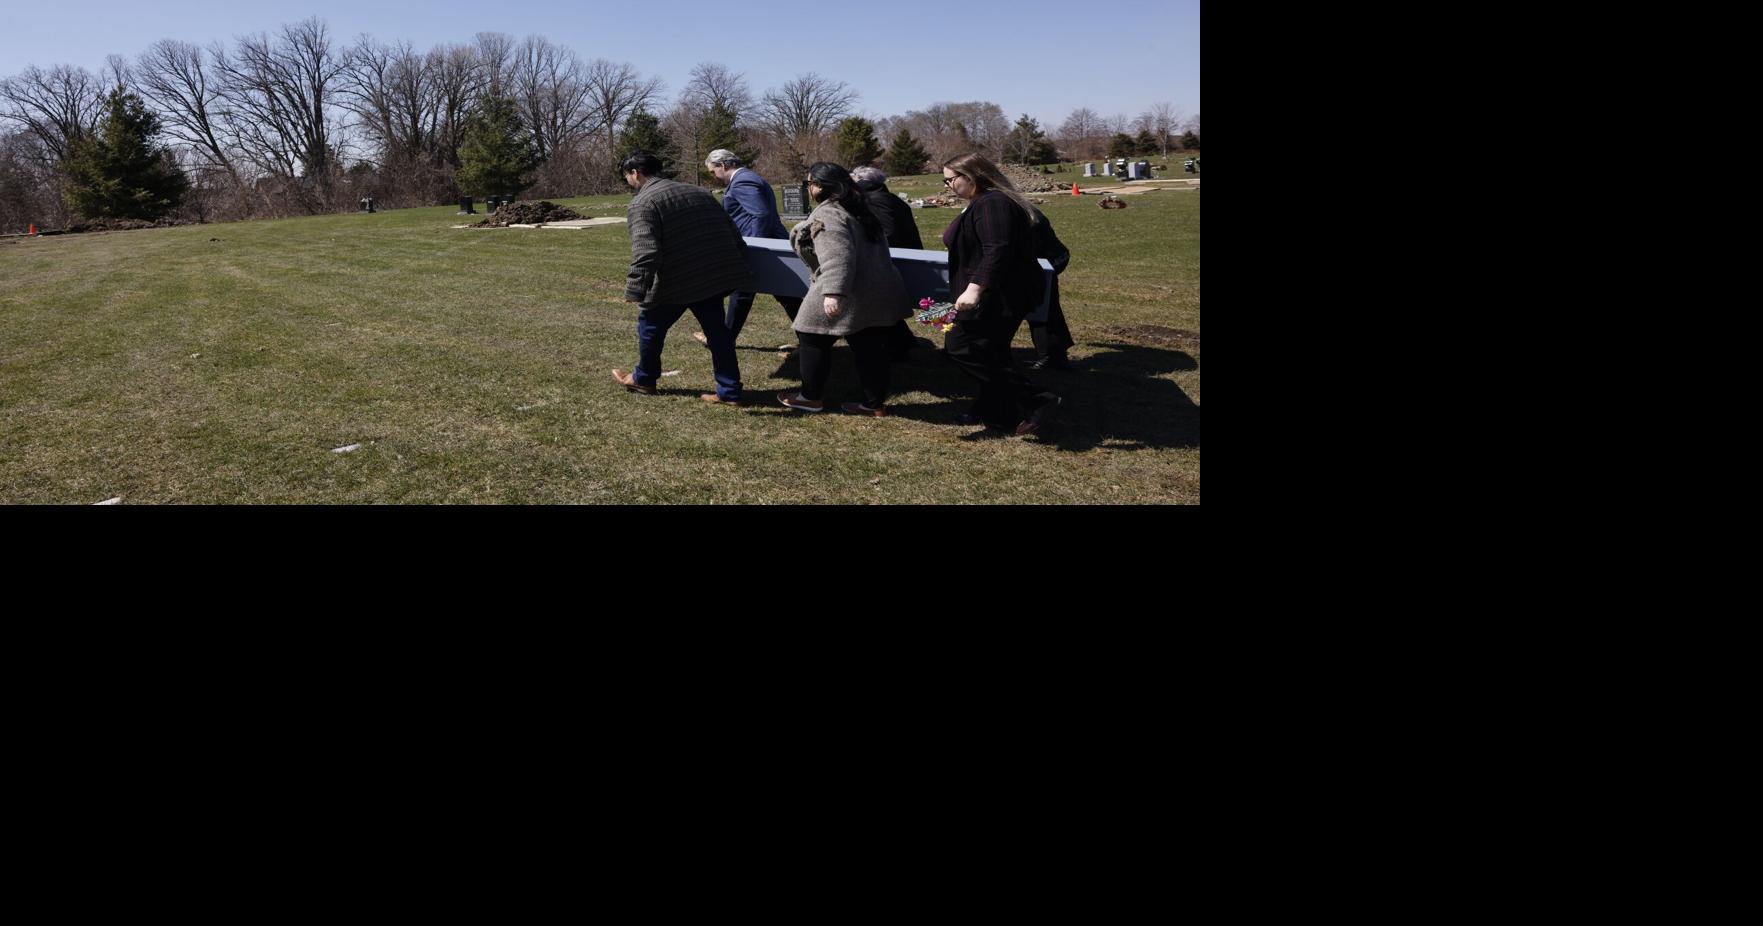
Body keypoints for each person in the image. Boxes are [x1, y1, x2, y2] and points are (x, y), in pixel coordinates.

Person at [611, 151, 754, 406]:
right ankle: (729, 390)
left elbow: (647, 252)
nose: (628, 181)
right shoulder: (698, 191)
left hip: (676, 281)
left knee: (650, 327)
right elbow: (731, 231)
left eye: (627, 176)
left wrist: (635, 288)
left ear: (636, 173)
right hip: (711, 277)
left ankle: (644, 379)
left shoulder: (643, 203)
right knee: (718, 335)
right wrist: (739, 262)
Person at [938, 153, 1059, 436]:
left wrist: (974, 288)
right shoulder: (980, 203)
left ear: (973, 175)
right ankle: (996, 411)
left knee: (961, 347)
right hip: (993, 293)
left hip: (997, 295)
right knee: (990, 351)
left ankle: (1037, 398)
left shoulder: (993, 203)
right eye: (945, 182)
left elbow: (998, 249)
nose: (948, 187)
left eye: (951, 180)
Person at [777, 162, 910, 416]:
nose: (808, 189)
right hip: (876, 287)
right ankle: (873, 404)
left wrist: (834, 293)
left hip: (848, 289)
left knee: (811, 335)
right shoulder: (860, 208)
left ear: (820, 187)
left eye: (809, 184)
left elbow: (838, 256)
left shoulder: (829, 215)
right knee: (868, 346)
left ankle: (809, 397)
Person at [696, 149, 802, 349]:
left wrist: (754, 247)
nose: (714, 176)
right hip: (765, 245)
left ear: (723, 166)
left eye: (713, 171)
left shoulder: (743, 181)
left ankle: (811, 340)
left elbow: (761, 215)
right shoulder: (749, 178)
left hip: (761, 247)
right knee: (762, 294)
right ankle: (725, 337)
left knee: (773, 295)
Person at [851, 165, 928, 361]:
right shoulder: (888, 197)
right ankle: (904, 344)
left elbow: (888, 232)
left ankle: (902, 346)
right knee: (882, 306)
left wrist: (865, 243)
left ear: (863, 183)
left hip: (892, 260)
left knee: (877, 304)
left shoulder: (876, 200)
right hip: (904, 257)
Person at [1025, 208, 1074, 370]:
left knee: (1043, 307)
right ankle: (1054, 352)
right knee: (1042, 305)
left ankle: (1053, 355)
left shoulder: (1013, 208)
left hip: (1047, 260)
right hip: (1040, 260)